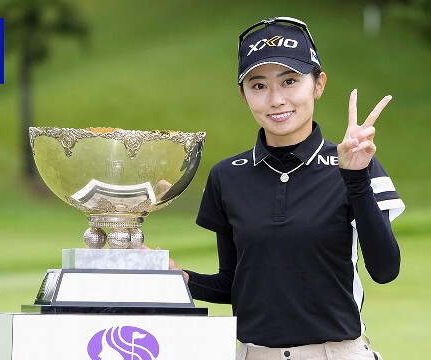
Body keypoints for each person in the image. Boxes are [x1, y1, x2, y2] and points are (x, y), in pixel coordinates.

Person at [170, 16, 405, 360]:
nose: (276, 99)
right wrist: (180, 279)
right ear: (243, 94)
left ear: (319, 84)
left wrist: (356, 177)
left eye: (290, 81)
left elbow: (385, 271)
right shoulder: (228, 176)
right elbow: (235, 284)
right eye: (259, 85)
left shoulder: (353, 162)